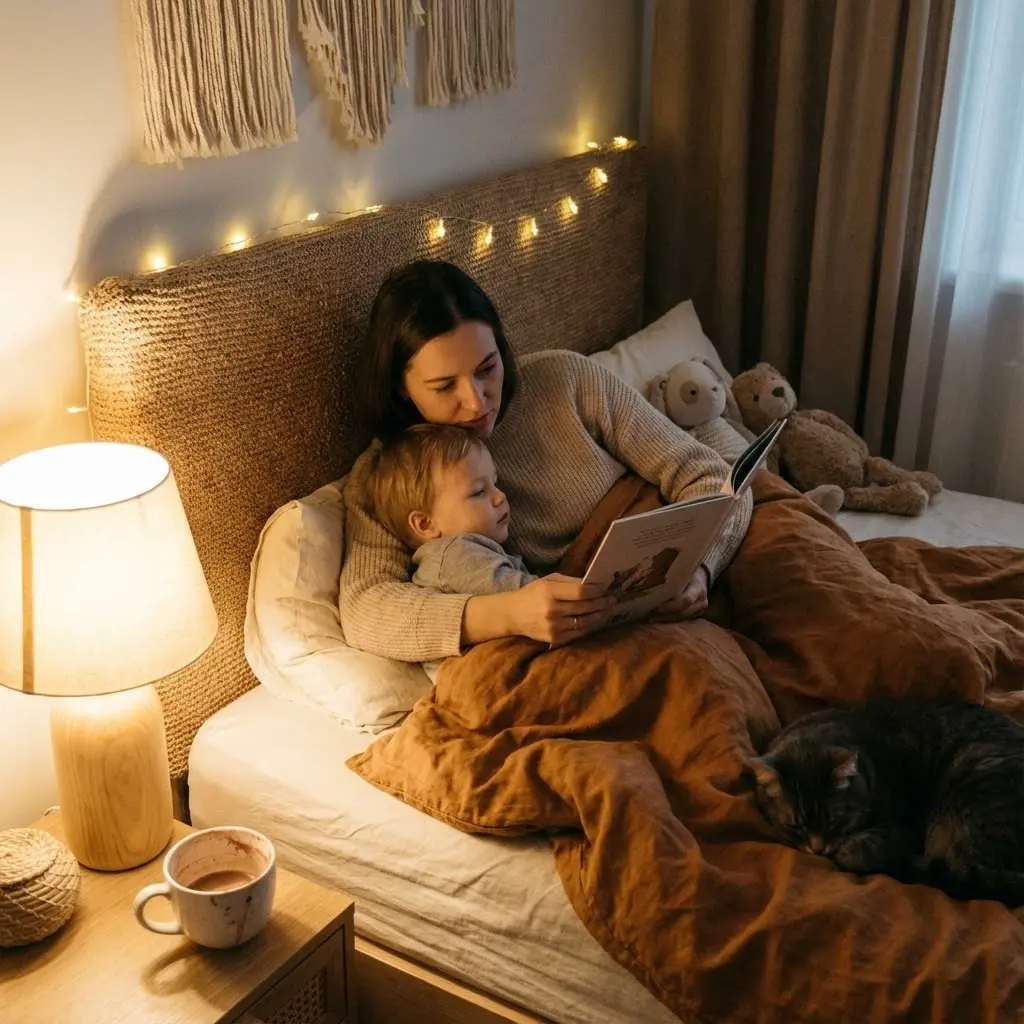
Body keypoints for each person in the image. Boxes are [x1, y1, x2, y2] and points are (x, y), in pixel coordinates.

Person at [340, 259, 752, 661]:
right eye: (445, 385)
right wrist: (510, 612)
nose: (477, 401)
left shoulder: (563, 378)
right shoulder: (388, 476)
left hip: (690, 546)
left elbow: (709, 474)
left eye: (487, 368)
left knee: (786, 559)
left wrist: (700, 565)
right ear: (402, 386)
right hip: (604, 615)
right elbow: (366, 610)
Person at [369, 422, 537, 596]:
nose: (500, 496)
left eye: (494, 482)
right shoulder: (455, 558)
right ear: (426, 524)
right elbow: (539, 597)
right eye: (479, 492)